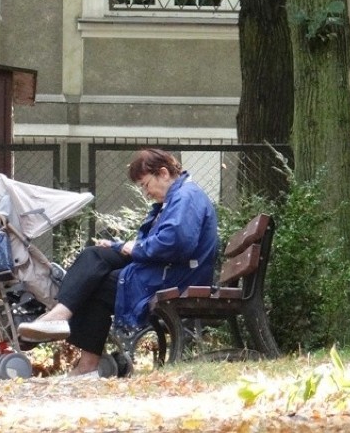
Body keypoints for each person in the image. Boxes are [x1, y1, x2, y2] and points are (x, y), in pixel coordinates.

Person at [16, 148, 219, 377]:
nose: (145, 193)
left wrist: (135, 247)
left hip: (176, 278)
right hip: (166, 272)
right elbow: (165, 243)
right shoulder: (179, 196)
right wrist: (117, 246)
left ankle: (80, 355)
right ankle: (60, 318)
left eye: (145, 185)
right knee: (94, 255)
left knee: (96, 286)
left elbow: (176, 243)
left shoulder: (186, 197)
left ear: (163, 173)